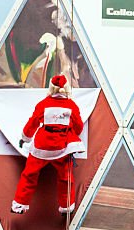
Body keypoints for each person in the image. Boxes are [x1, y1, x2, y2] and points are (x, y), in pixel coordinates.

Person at [11, 74, 85, 215]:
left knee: (29, 175)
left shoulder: (43, 104)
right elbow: (79, 127)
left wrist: (25, 138)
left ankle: (19, 205)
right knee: (65, 177)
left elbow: (32, 124)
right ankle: (66, 206)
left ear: (51, 88)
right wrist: (68, 131)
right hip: (62, 148)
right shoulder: (71, 105)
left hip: (42, 147)